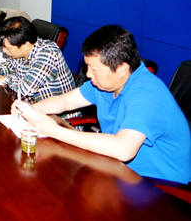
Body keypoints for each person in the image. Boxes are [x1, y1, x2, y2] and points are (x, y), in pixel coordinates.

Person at [15, 25, 191, 184]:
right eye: (87, 67)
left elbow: (123, 149)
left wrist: (55, 131)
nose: (88, 74)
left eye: (94, 69)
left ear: (122, 68)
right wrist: (31, 109)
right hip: (120, 170)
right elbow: (65, 101)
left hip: (160, 187)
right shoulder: (105, 83)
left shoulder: (146, 93)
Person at [0, 17, 74, 103]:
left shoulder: (48, 53)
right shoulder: (21, 49)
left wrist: (6, 79)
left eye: (8, 48)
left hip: (55, 113)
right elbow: (9, 66)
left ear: (26, 45)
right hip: (31, 104)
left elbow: (26, 88)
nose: (4, 51)